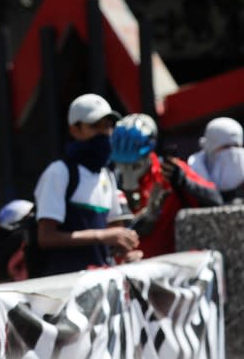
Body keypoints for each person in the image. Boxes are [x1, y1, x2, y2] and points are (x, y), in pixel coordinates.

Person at [32, 93, 140, 277]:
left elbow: (115, 230)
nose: (104, 133)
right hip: (63, 287)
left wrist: (128, 251)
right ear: (75, 130)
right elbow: (46, 237)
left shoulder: (107, 174)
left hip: (100, 284)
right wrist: (102, 236)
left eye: (107, 126)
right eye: (94, 126)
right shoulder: (59, 172)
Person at [110, 113, 222, 258]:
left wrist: (183, 182)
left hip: (167, 264)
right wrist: (146, 216)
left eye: (134, 165)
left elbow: (216, 200)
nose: (128, 173)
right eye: (122, 165)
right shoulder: (111, 180)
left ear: (149, 154)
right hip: (127, 267)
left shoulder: (169, 172)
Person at [187, 117, 244, 203]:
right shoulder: (193, 176)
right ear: (211, 147)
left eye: (237, 147)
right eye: (226, 147)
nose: (233, 152)